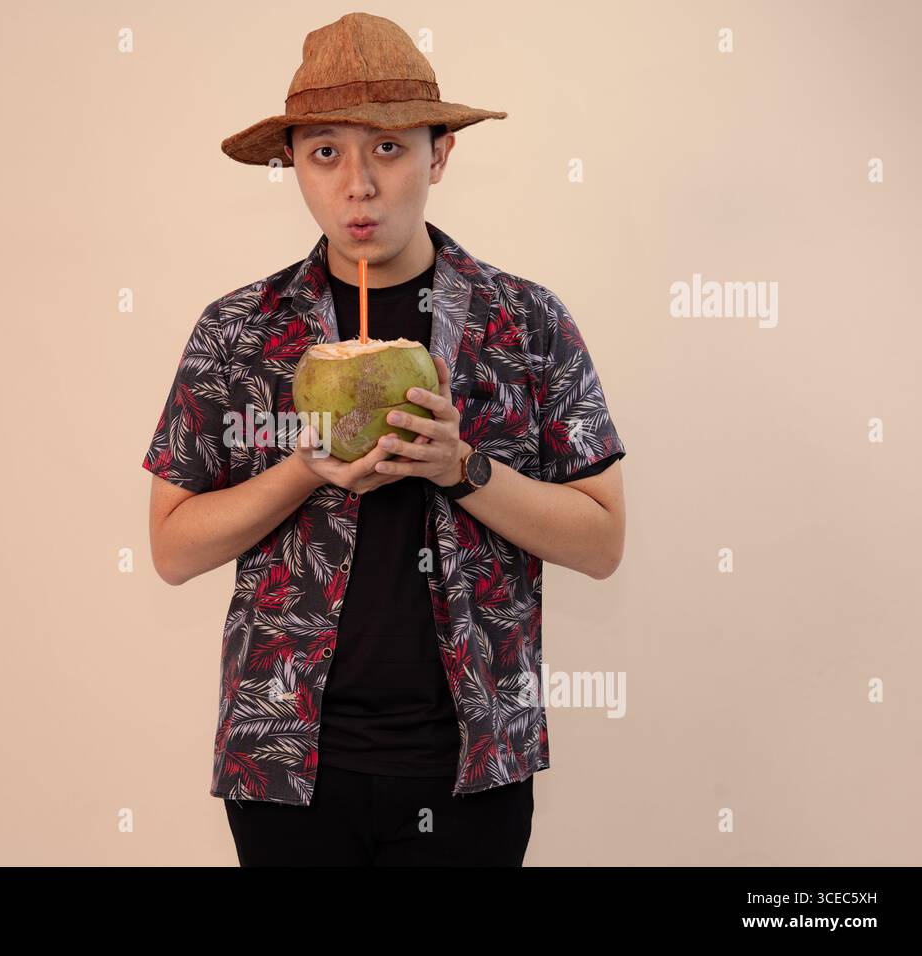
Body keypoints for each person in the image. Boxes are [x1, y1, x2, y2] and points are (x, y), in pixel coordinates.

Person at [142, 13, 627, 866]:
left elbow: (602, 541)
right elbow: (173, 548)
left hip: (472, 766)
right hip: (285, 764)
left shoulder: (528, 323)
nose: (358, 185)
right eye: (325, 151)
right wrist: (304, 470)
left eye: (390, 148)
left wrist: (463, 467)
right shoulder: (236, 333)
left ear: (440, 154)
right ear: (293, 162)